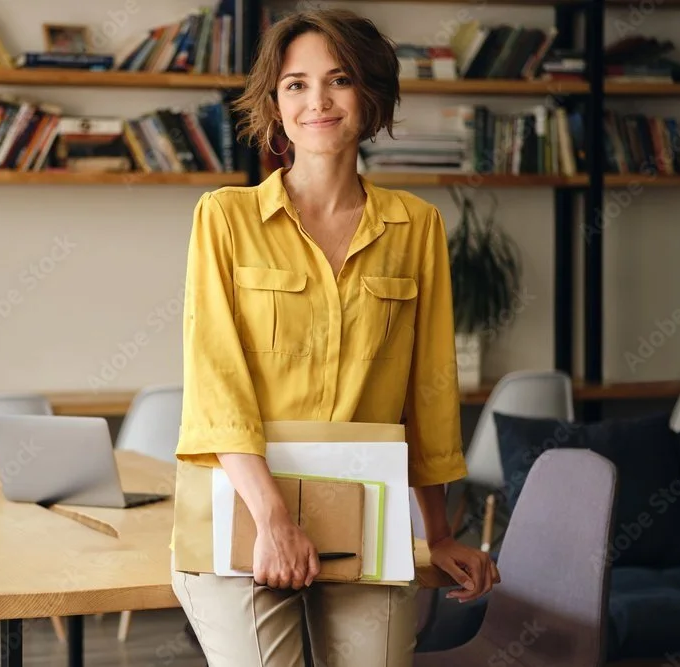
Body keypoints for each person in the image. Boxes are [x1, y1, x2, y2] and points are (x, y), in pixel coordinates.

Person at [171, 8, 499, 666]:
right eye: (295, 84)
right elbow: (217, 385)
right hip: (241, 512)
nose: (316, 100)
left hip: (367, 518)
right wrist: (274, 518)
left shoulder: (417, 227)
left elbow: (427, 393)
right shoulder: (224, 219)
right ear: (274, 103)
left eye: (338, 80)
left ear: (370, 96)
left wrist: (438, 534)